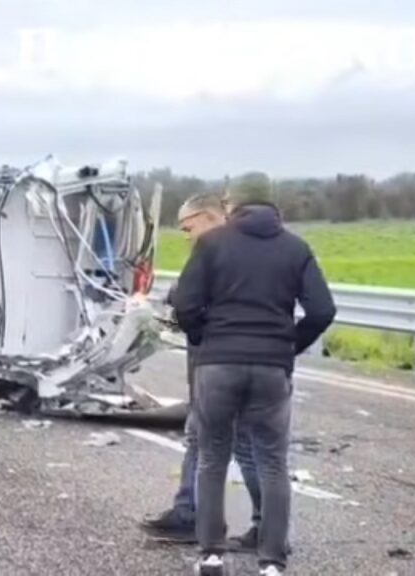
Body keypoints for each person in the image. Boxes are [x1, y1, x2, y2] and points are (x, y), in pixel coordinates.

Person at [173, 174, 336, 576]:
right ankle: (272, 563)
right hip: (271, 369)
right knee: (273, 462)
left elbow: (185, 305)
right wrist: (287, 346)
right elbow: (322, 310)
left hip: (217, 364)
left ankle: (211, 555)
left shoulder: (211, 244)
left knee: (212, 456)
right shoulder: (296, 248)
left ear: (234, 205)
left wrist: (205, 338)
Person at [141, 193, 263, 549]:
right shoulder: (243, 248)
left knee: (242, 445)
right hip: (221, 361)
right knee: (202, 437)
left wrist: (183, 313)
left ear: (209, 218)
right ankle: (189, 514)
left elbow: (193, 298)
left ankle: (262, 525)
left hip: (225, 363)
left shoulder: (224, 251)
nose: (186, 235)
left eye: (188, 227)